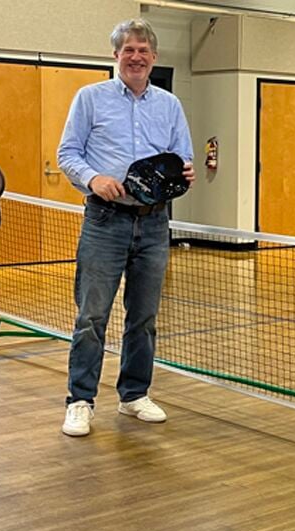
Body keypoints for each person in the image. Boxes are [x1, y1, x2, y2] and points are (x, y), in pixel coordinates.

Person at [58, 18, 194, 436]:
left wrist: (184, 174)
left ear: (153, 57)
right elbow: (68, 154)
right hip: (104, 221)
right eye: (128, 49)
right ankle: (80, 400)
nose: (136, 57)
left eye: (143, 50)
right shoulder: (90, 98)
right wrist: (94, 179)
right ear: (115, 55)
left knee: (144, 317)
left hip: (154, 225)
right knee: (92, 317)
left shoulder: (169, 105)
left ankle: (134, 395)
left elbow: (182, 157)